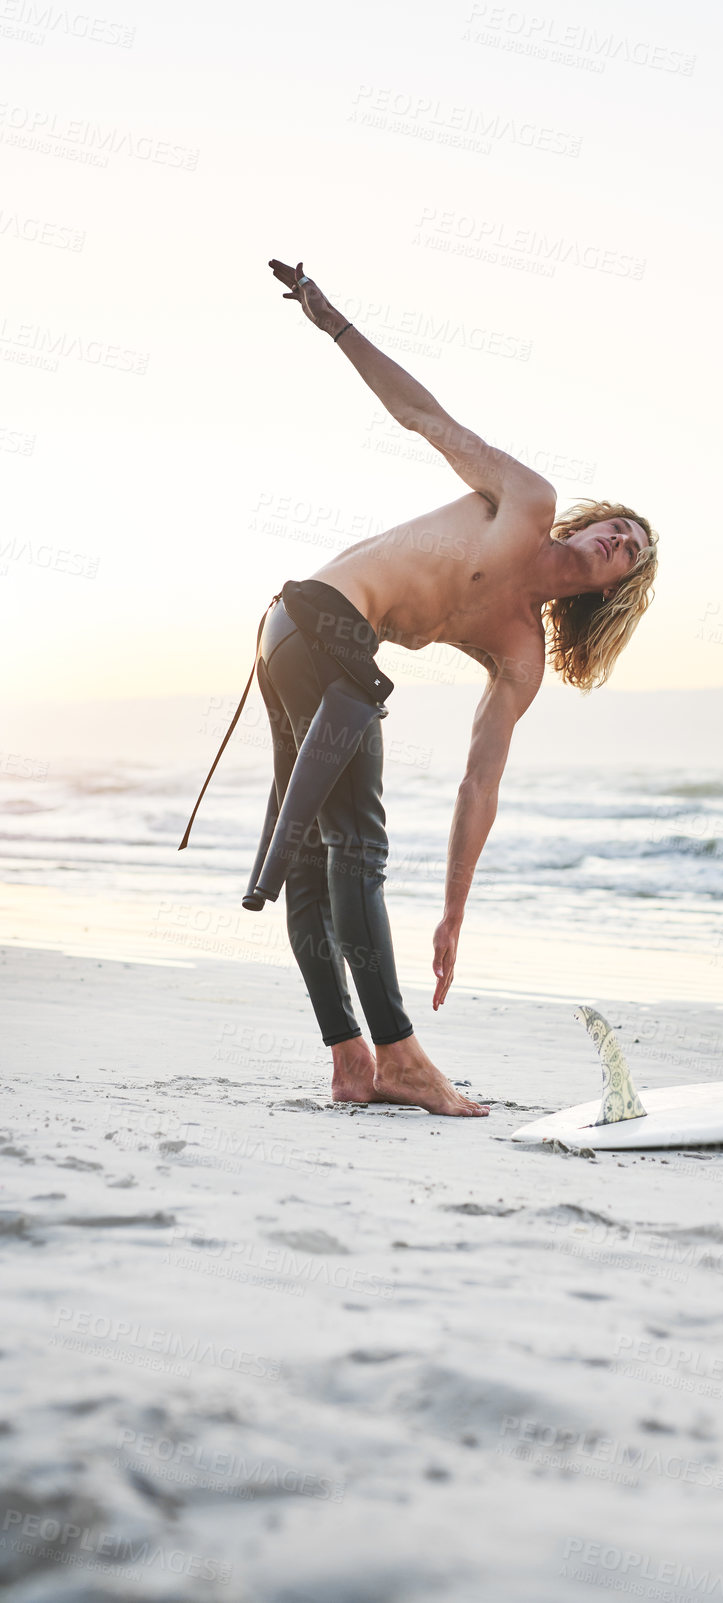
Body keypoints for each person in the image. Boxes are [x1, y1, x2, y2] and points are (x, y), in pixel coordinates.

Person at [185, 259, 659, 1117]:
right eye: (614, 527)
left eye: (628, 551)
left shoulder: (520, 654)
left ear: (610, 593)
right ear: (584, 524)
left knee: (321, 856)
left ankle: (349, 1062)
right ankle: (400, 1055)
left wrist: (452, 914)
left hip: (296, 640)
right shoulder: (522, 498)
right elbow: (420, 415)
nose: (615, 541)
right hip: (316, 621)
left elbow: (480, 782)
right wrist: (334, 322)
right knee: (357, 847)